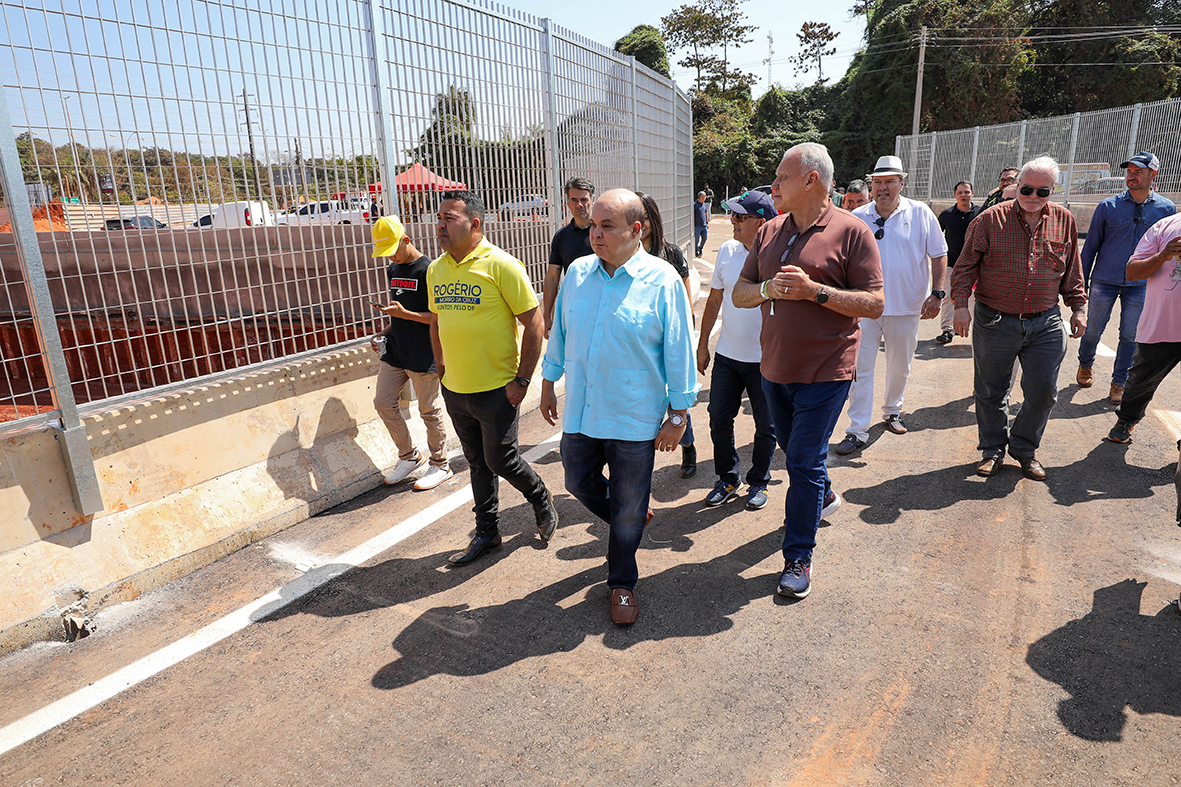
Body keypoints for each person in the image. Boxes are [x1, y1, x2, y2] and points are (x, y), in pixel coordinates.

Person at [732, 142, 884, 599]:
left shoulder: (852, 232)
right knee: (802, 455)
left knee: (801, 461)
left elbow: (875, 304)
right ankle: (823, 494)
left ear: (811, 179)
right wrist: (769, 289)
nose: (774, 184)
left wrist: (815, 291)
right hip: (774, 369)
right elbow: (740, 293)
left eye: (782, 176)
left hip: (827, 370)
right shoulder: (768, 231)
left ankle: (798, 556)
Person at [540, 189, 698, 625]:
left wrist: (678, 414)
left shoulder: (663, 280)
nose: (596, 234)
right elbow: (561, 333)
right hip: (583, 410)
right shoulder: (577, 273)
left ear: (636, 229)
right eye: (593, 225)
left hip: (634, 416)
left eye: (607, 226)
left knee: (627, 510)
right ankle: (630, 514)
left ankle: (622, 583)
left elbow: (679, 350)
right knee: (577, 481)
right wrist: (548, 383)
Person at [428, 190, 558, 565]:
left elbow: (534, 322)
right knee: (476, 463)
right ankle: (487, 533)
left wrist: (522, 381)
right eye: (439, 217)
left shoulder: (502, 265)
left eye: (449, 218)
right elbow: (436, 321)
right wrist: (441, 367)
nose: (440, 225)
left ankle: (540, 496)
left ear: (474, 223)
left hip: (497, 390)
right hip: (456, 389)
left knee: (501, 459)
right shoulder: (437, 269)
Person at [952, 157, 1087, 481]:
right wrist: (960, 306)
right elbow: (965, 266)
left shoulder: (1064, 220)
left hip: (1045, 322)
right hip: (995, 321)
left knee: (1044, 392)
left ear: (1053, 191)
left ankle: (1024, 448)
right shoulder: (989, 220)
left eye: (1042, 191)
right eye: (1027, 189)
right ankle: (993, 449)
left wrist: (1079, 307)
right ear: (1017, 186)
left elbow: (1072, 269)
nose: (1033, 196)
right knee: (991, 390)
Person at [836, 155, 947, 456]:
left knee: (900, 367)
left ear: (901, 183)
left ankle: (892, 411)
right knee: (860, 369)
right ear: (871, 185)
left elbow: (939, 254)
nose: (883, 188)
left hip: (907, 307)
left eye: (889, 181)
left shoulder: (920, 213)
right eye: (878, 182)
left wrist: (937, 293)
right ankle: (857, 430)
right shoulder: (858, 216)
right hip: (865, 308)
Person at [697, 189, 777, 510]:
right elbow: (715, 298)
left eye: (741, 216)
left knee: (766, 425)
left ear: (762, 222)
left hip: (765, 360)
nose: (733, 220)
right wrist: (703, 344)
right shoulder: (728, 251)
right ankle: (729, 478)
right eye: (732, 214)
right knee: (718, 417)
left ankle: (759, 481)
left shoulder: (777, 255)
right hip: (728, 356)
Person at [1077, 152, 1176, 405]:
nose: (1131, 176)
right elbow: (1090, 247)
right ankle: (1085, 363)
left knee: (1130, 336)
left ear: (1153, 175)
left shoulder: (1166, 209)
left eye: (1138, 172)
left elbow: (1167, 252)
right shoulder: (1107, 206)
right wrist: (1081, 283)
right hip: (1104, 279)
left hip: (1141, 283)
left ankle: (1119, 382)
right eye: (1129, 171)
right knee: (1093, 330)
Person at [369, 216, 454, 491]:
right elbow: (399, 312)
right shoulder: (393, 269)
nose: (390, 256)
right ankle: (409, 456)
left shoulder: (429, 270)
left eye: (393, 249)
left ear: (406, 240)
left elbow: (439, 316)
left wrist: (405, 314)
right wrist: (384, 332)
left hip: (424, 352)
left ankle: (441, 464)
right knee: (383, 402)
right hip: (397, 350)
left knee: (429, 410)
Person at [1105, 211, 1181, 444]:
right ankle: (1127, 419)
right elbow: (1133, 272)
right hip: (1163, 324)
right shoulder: (1165, 226)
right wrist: (1162, 256)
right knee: (1141, 380)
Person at [637, 191, 697, 478]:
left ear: (653, 219)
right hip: (640, 343)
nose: (640, 224)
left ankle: (688, 444)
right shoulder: (619, 255)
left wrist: (687, 337)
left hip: (668, 341)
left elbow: (685, 297)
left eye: (644, 218)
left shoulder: (670, 253)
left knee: (676, 399)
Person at [541, 177, 595, 338]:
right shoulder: (562, 237)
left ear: (592, 200)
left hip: (603, 306)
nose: (579, 204)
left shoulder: (604, 233)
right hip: (573, 309)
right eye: (574, 200)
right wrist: (546, 315)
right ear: (567, 203)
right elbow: (552, 277)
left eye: (584, 199)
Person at [936, 181, 982, 344]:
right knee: (949, 297)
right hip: (951, 264)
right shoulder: (946, 215)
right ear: (955, 195)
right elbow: (936, 236)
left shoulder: (981, 213)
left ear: (972, 193)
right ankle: (947, 330)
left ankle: (974, 330)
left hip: (975, 266)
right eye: (960, 192)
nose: (964, 195)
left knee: (974, 299)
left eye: (966, 192)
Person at [693, 191, 709, 257]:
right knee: (696, 239)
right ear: (700, 197)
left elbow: (705, 213)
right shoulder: (695, 204)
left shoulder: (704, 204)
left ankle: (700, 248)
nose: (705, 198)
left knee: (705, 238)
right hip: (697, 225)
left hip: (704, 225)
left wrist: (707, 222)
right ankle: (696, 251)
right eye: (704, 197)